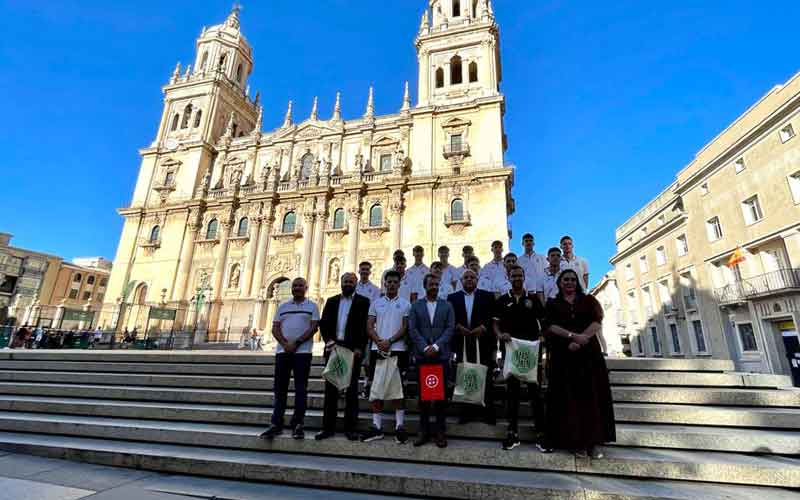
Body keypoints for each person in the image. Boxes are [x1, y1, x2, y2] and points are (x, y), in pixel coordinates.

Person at [543, 269, 615, 458]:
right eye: (565, 279)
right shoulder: (553, 303)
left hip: (589, 357)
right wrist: (572, 337)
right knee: (569, 399)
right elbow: (550, 326)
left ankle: (593, 441)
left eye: (573, 279)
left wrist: (583, 338)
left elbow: (597, 321)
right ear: (559, 283)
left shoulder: (589, 300)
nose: (569, 282)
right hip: (563, 357)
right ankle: (575, 442)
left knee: (590, 398)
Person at [493, 265, 546, 451]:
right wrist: (500, 335)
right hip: (511, 351)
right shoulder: (502, 301)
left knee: (535, 393)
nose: (517, 278)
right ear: (508, 277)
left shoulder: (532, 298)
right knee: (512, 392)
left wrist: (541, 336)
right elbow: (495, 323)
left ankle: (541, 433)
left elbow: (544, 322)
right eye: (513, 275)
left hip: (531, 352)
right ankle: (512, 432)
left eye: (520, 275)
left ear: (524, 277)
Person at [261, 277, 319, 440]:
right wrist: (285, 344)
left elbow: (314, 327)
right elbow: (275, 327)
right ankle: (276, 423)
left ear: (306, 288)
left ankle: (298, 423)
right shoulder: (282, 306)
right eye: (295, 286)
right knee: (280, 389)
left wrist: (297, 342)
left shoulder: (312, 306)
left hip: (303, 353)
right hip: (283, 352)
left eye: (300, 286)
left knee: (301, 389)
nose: (297, 288)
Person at [317, 273, 370, 441]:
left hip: (352, 349)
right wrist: (329, 341)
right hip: (334, 347)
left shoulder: (363, 302)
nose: (348, 284)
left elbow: (364, 328)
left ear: (356, 284)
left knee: (352, 390)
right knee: (331, 389)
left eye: (351, 282)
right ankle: (327, 427)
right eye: (345, 281)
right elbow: (324, 323)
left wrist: (360, 348)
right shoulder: (331, 301)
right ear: (341, 283)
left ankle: (351, 428)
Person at [361, 270, 411, 444]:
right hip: (378, 349)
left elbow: (405, 327)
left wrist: (389, 340)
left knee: (398, 389)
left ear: (399, 284)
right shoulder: (376, 303)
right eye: (388, 282)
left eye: (394, 282)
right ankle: (377, 427)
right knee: (377, 388)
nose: (391, 284)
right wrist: (379, 341)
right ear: (384, 283)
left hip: (398, 349)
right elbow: (369, 326)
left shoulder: (405, 304)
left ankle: (399, 426)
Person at [408, 274, 455, 448]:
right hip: (423, 356)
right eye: (431, 284)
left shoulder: (447, 305)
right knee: (424, 397)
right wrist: (424, 347)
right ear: (424, 286)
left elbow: (450, 328)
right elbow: (412, 329)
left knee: (440, 397)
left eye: (436, 284)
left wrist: (436, 346)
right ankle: (423, 430)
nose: (434, 286)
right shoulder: (416, 306)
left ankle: (440, 431)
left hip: (440, 356)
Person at [448, 269, 497, 424]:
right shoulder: (453, 298)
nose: (469, 279)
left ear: (477, 279)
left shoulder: (487, 296)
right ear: (461, 280)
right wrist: (457, 326)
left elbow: (492, 317)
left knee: (485, 377)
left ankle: (488, 413)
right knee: (465, 376)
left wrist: (483, 327)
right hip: (462, 342)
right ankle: (466, 413)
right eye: (466, 277)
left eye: (472, 277)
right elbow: (450, 318)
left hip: (482, 342)